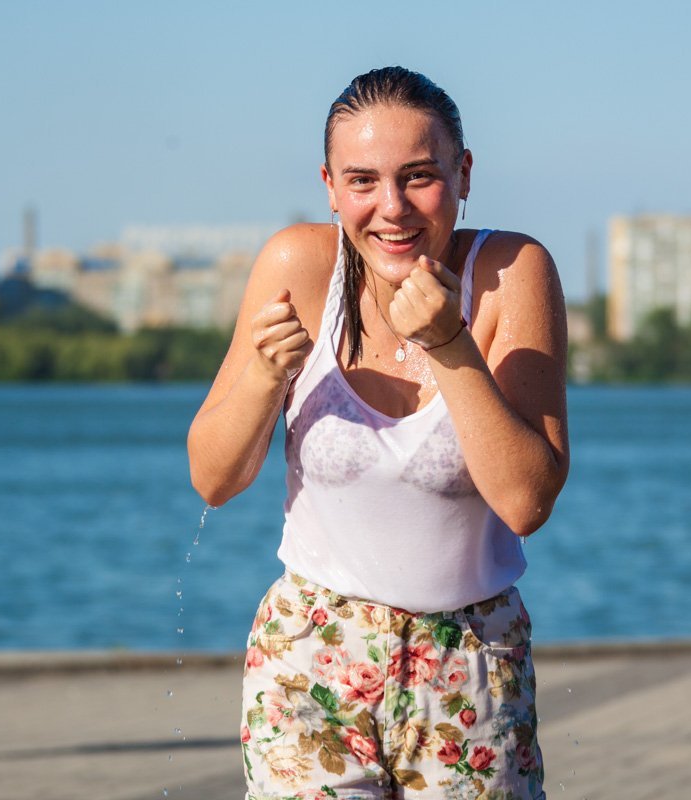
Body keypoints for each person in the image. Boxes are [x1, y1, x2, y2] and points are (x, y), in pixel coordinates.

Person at [188, 66, 568, 798]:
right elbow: (213, 478)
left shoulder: (513, 272)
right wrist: (266, 381)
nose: (390, 209)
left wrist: (452, 346)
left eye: (419, 177)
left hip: (471, 664)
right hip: (311, 656)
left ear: (463, 174)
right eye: (362, 181)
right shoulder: (298, 264)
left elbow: (527, 501)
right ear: (329, 186)